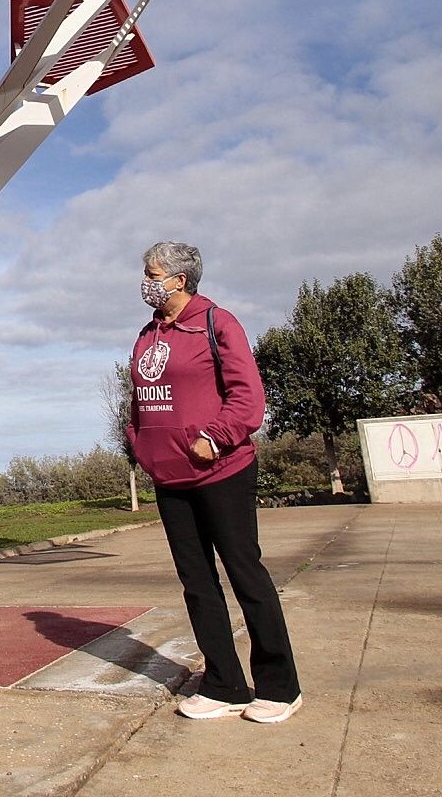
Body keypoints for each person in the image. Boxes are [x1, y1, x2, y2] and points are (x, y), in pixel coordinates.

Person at [127, 240, 302, 724]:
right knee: (198, 584)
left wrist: (215, 437)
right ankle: (224, 685)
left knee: (246, 574)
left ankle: (280, 687)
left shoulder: (216, 323)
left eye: (152, 272)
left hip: (221, 470)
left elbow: (249, 399)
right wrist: (142, 446)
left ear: (179, 280)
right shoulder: (147, 334)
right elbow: (140, 402)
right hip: (170, 476)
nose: (145, 280)